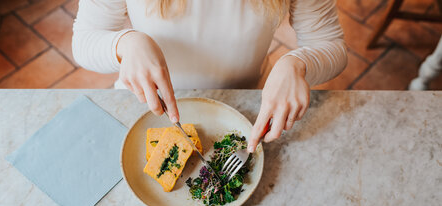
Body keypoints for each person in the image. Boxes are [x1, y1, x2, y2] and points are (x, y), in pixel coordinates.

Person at [72, 0, 347, 153]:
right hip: (145, 103)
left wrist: (298, 63)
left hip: (247, 112)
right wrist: (125, 43)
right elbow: (84, 39)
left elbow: (329, 43)